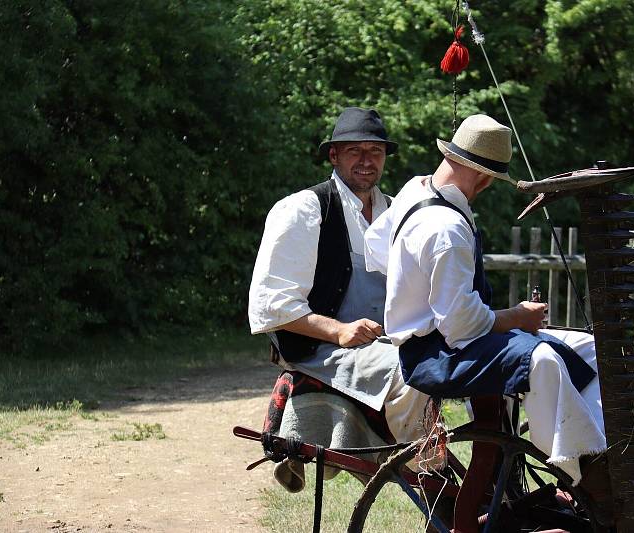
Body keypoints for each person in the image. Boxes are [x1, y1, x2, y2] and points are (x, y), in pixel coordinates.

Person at [363, 113, 607, 485]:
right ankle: (581, 473)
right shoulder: (446, 229)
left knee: (588, 347)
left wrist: (412, 284)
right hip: (434, 356)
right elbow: (461, 325)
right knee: (541, 357)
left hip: (448, 340)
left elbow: (374, 245)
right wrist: (518, 316)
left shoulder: (415, 188)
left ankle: (605, 450)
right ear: (486, 177)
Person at [248, 107, 428, 450]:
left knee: (460, 362)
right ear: (333, 155)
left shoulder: (395, 212)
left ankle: (485, 479)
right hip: (322, 348)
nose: (366, 160)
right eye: (354, 151)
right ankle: (421, 467)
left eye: (375, 151)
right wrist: (340, 330)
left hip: (384, 343)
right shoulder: (305, 209)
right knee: (413, 371)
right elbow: (273, 305)